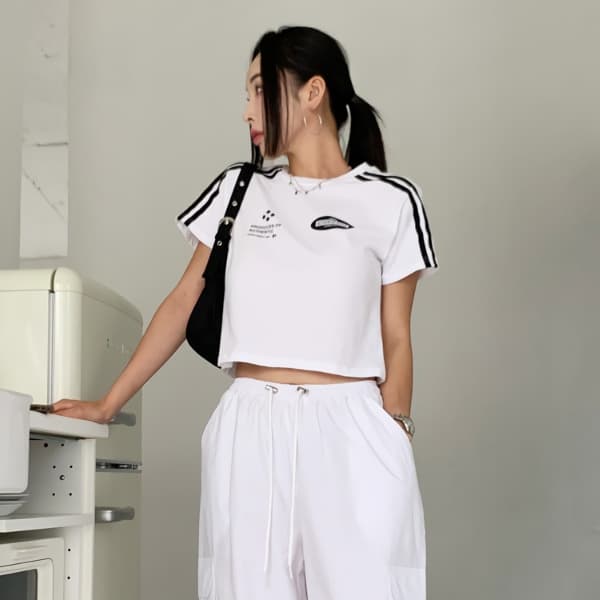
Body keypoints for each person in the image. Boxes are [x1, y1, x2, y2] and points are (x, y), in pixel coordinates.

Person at [52, 25, 439, 600]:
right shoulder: (239, 190)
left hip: (353, 427)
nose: (247, 111)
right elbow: (182, 302)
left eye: (260, 90)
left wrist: (394, 432)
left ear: (313, 93)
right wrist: (108, 404)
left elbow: (396, 336)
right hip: (251, 424)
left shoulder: (391, 201)